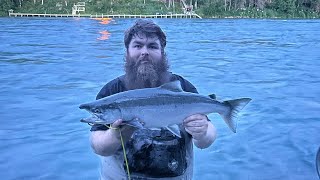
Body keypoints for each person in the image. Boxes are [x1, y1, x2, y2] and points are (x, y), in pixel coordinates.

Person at [89, 19, 217, 180]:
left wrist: (202, 132)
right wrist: (116, 135)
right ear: (127, 51)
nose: (145, 52)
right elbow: (98, 147)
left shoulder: (183, 87)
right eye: (137, 45)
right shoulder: (111, 92)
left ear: (162, 52)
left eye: (152, 46)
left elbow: (207, 140)